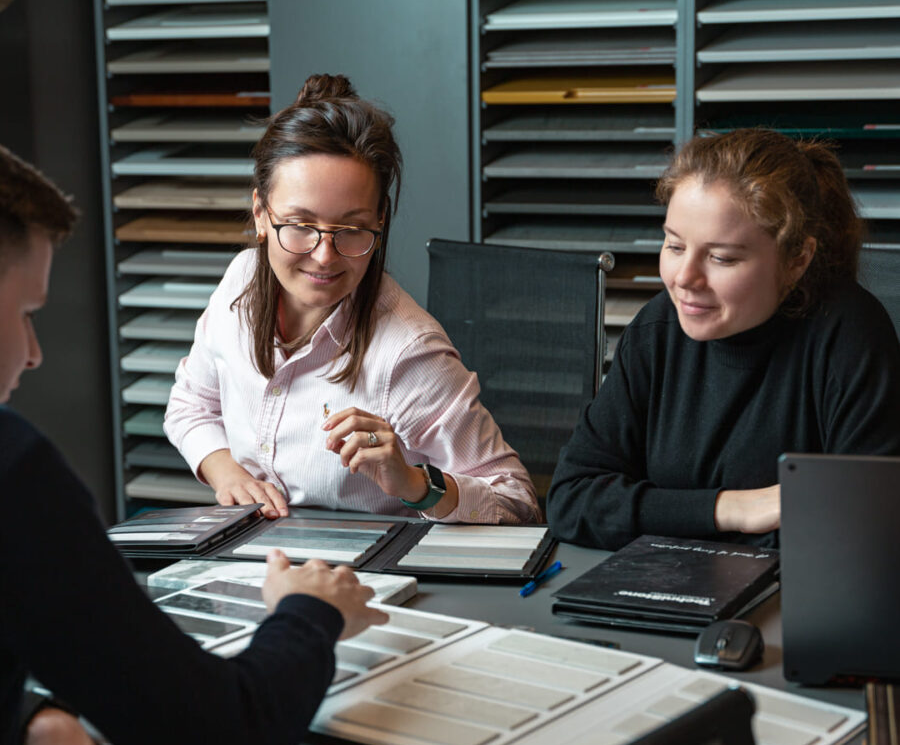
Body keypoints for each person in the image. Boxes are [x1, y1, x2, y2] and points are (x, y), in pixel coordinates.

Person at [0, 144, 387, 745]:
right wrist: (306, 612)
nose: (33, 352)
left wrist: (34, 718)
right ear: (262, 219)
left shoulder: (406, 341)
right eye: (26, 312)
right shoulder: (13, 474)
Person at [164, 74, 539, 525]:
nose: (324, 257)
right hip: (253, 557)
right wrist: (225, 472)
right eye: (300, 225)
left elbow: (518, 504)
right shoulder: (241, 280)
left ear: (380, 220)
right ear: (262, 214)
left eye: (352, 229)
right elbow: (190, 405)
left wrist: (414, 483)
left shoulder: (409, 351)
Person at [547, 128, 900, 551]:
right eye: (674, 246)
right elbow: (572, 500)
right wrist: (736, 509)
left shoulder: (850, 337)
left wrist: (656, 514)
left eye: (721, 258)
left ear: (796, 260)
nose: (684, 279)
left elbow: (857, 531)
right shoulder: (658, 328)